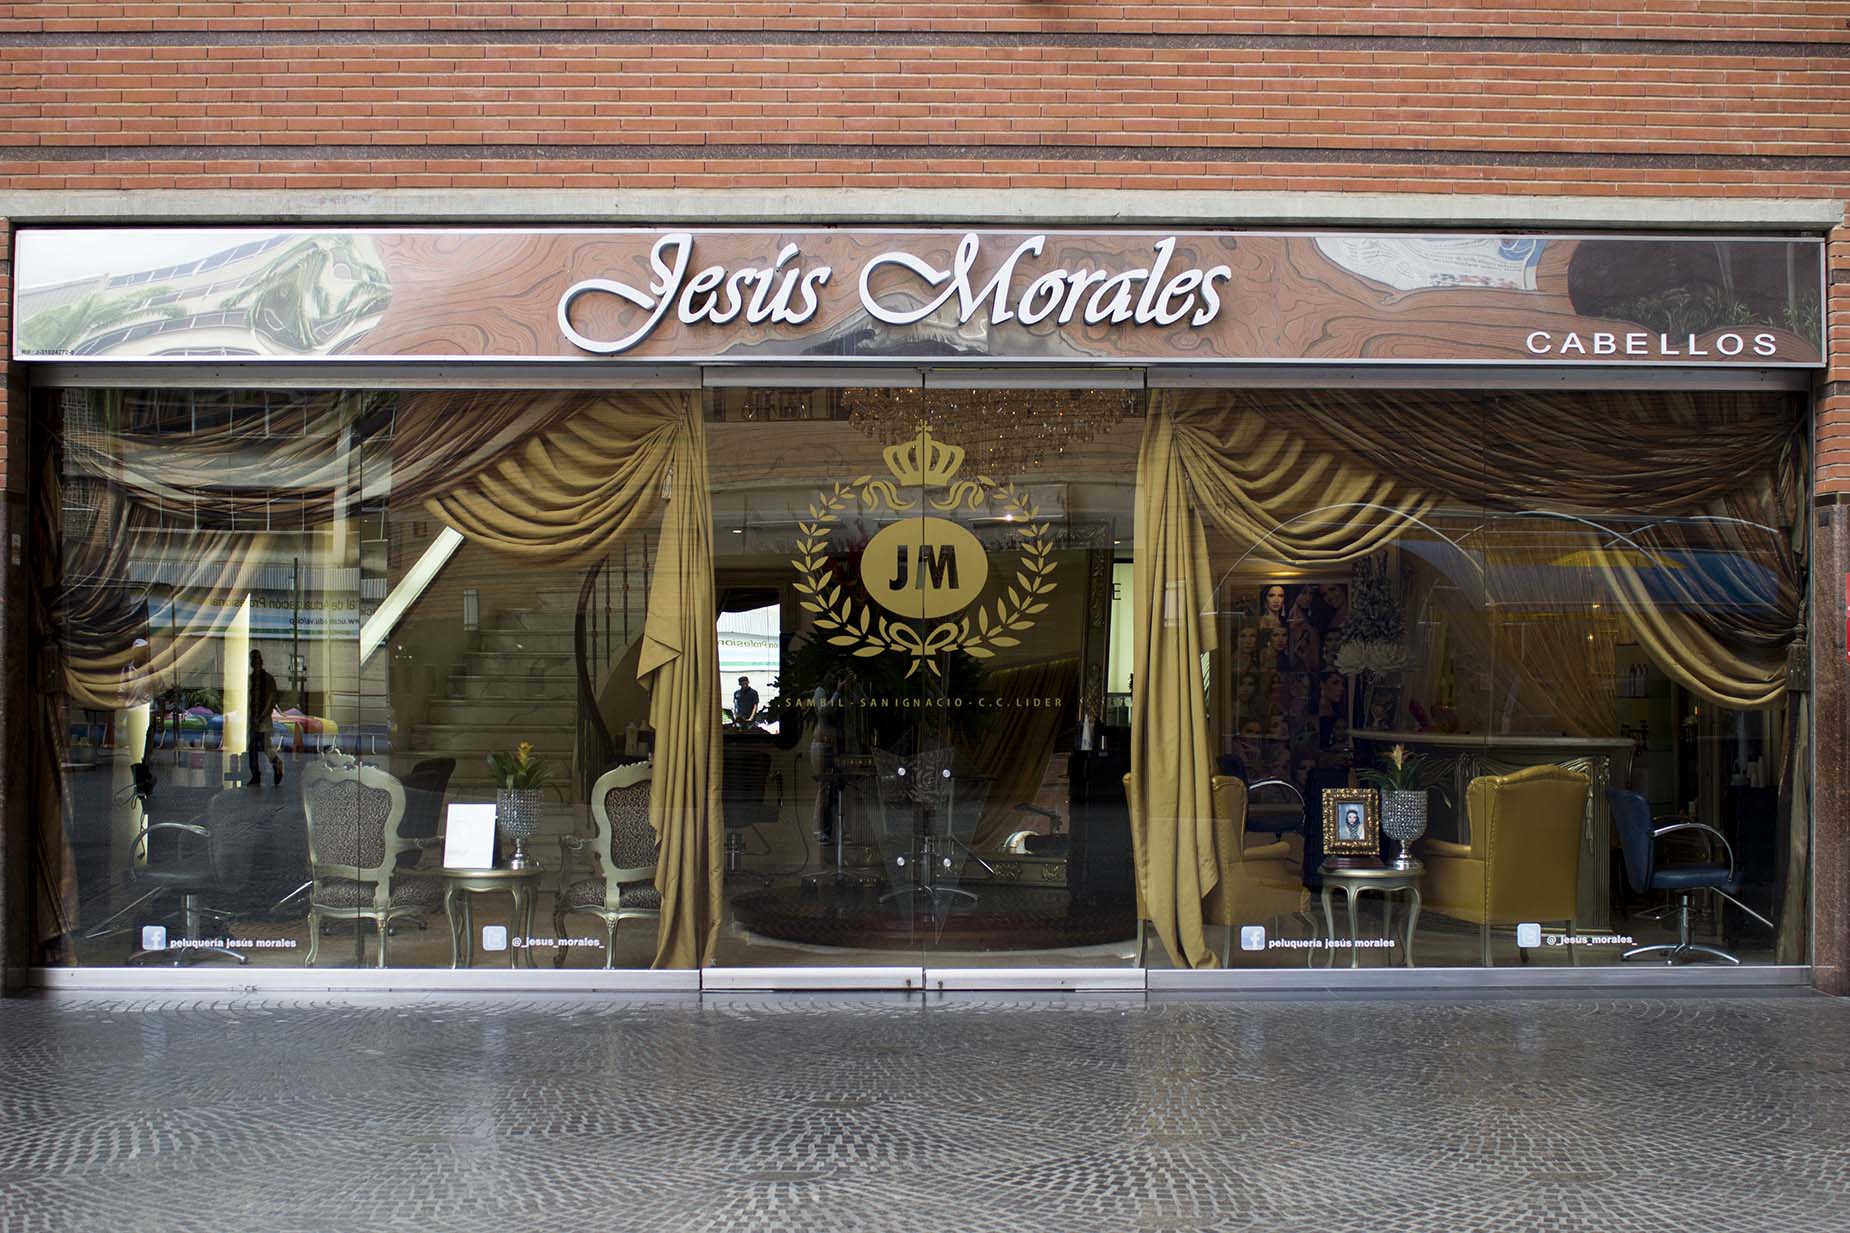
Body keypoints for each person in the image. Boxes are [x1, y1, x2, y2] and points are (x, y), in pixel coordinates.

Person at [246, 649, 283, 787]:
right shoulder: (254, 679)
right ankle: (257, 774)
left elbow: (270, 699)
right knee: (255, 747)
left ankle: (274, 764)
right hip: (256, 718)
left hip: (262, 719)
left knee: (263, 746)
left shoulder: (266, 679)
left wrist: (262, 716)